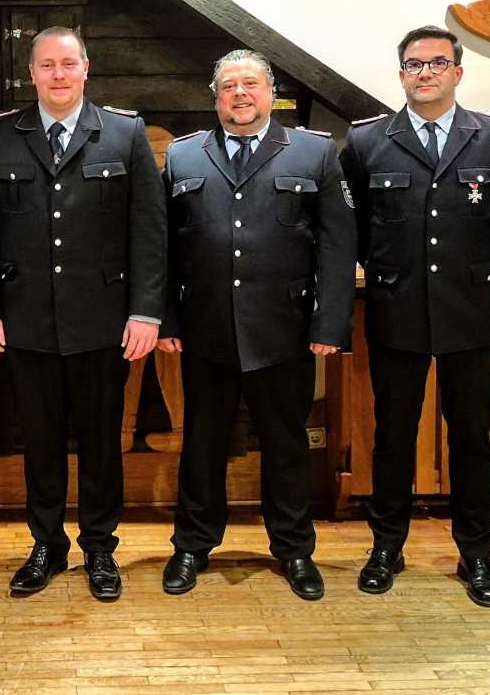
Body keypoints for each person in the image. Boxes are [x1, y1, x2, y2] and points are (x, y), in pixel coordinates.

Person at [0, 26, 166, 600]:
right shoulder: (0, 135)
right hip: (25, 321)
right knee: (41, 443)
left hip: (103, 322)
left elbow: (149, 229)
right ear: (32, 73)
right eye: (46, 65)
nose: (57, 74)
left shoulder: (123, 133)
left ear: (85, 69)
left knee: (102, 441)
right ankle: (46, 545)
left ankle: (100, 548)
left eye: (67, 64)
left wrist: (146, 312)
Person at [157, 49, 356, 600]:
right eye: (228, 86)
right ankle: (193, 546)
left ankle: (293, 550)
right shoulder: (184, 156)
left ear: (271, 93)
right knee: (202, 442)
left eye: (250, 84)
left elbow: (339, 246)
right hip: (205, 329)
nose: (239, 94)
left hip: (284, 329)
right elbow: (165, 249)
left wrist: (330, 322)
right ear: (215, 96)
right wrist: (167, 318)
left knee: (286, 443)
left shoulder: (315, 152)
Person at [339, 25, 490, 607]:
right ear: (401, 74)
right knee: (392, 437)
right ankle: (386, 546)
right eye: (414, 65)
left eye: (437, 63)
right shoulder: (367, 141)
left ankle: (476, 554)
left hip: (469, 312)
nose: (426, 73)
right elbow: (356, 231)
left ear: (457, 72)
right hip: (397, 311)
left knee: (471, 439)